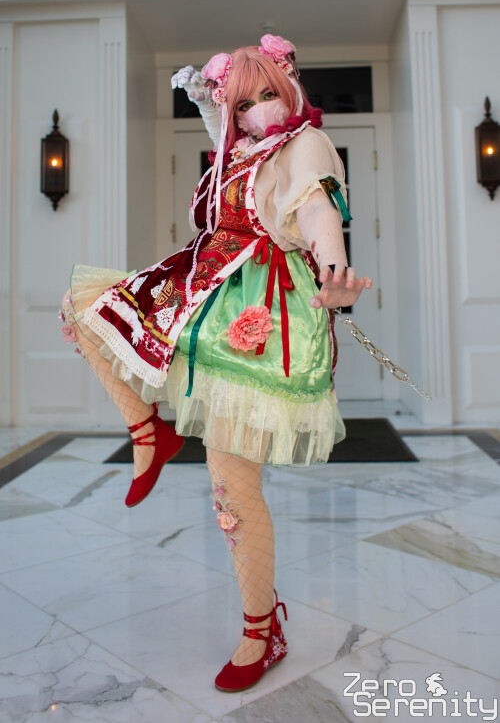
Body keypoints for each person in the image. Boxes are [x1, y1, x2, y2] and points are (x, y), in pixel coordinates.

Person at [60, 34, 372, 693]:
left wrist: (335, 270)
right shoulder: (241, 151)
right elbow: (224, 132)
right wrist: (212, 100)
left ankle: (262, 628)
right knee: (82, 306)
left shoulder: (306, 143)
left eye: (267, 95)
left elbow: (319, 208)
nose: (257, 111)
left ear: (291, 88)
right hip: (200, 289)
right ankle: (149, 431)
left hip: (259, 313)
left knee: (230, 484)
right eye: (243, 103)